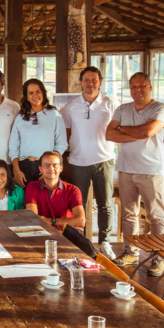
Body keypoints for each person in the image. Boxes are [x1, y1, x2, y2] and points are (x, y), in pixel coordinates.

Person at [106, 72, 164, 276]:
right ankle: (130, 252)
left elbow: (148, 132)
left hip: (151, 171)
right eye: (134, 86)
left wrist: (124, 130)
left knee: (155, 216)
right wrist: (138, 130)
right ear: (130, 88)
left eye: (142, 86)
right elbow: (109, 134)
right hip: (126, 169)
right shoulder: (123, 109)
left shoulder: (160, 108)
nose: (138, 90)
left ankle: (158, 257)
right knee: (128, 214)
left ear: (150, 87)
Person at [62, 67, 119, 259]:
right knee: (77, 204)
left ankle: (105, 243)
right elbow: (66, 135)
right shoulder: (71, 107)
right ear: (81, 82)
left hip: (104, 160)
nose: (90, 83)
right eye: (86, 80)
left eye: (94, 80)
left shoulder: (110, 103)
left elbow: (118, 129)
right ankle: (81, 243)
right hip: (78, 162)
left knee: (105, 204)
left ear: (100, 81)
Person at [9, 79, 68, 187]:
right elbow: (13, 146)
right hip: (24, 168)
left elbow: (61, 144)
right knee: (26, 202)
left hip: (47, 166)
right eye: (31, 93)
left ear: (43, 93)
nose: (35, 95)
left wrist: (50, 166)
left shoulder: (54, 115)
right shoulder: (20, 117)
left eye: (38, 91)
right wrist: (16, 171)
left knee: (46, 201)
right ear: (26, 96)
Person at [25, 151, 85, 231]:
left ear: (61, 168)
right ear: (40, 169)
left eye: (55, 165)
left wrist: (52, 221)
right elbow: (32, 219)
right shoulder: (32, 187)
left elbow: (80, 221)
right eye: (46, 165)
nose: (51, 168)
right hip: (43, 233)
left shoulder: (73, 190)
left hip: (66, 236)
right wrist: (59, 232)